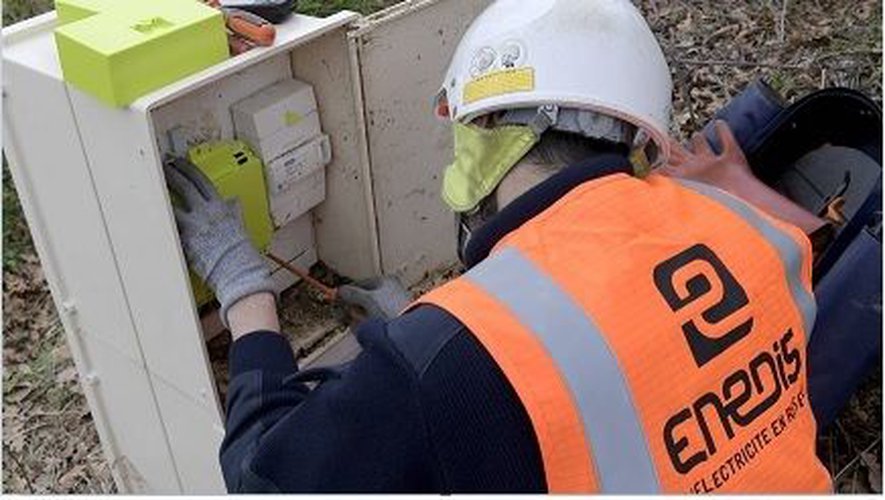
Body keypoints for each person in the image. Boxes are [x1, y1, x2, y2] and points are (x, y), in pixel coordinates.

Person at [165, 0, 837, 493]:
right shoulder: (752, 232)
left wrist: (244, 288)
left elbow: (263, 478)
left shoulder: (443, 365)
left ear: (484, 130)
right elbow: (637, 365)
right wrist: (423, 337)